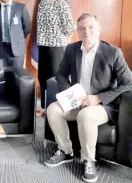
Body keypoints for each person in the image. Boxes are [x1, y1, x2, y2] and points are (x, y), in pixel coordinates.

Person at [45, 14, 132, 183]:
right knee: (53, 109)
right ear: (77, 31)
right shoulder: (71, 49)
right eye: (82, 28)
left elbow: (128, 83)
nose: (87, 31)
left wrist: (98, 98)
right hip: (76, 101)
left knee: (86, 116)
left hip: (103, 106)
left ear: (98, 30)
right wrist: (70, 95)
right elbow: (61, 75)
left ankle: (88, 160)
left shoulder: (113, 52)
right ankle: (65, 150)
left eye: (91, 27)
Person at [36, 0, 75, 116]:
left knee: (54, 78)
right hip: (43, 46)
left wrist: (62, 38)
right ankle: (45, 108)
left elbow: (70, 27)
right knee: (42, 77)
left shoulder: (62, 3)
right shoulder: (42, 3)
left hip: (57, 46)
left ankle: (56, 108)